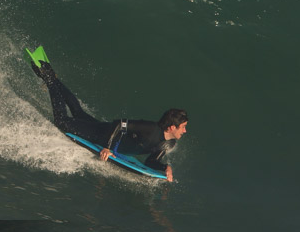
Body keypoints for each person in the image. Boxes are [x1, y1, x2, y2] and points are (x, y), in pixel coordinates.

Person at [28, 47, 187, 182]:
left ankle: (51, 76)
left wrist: (165, 167)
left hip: (104, 134)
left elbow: (151, 161)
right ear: (172, 127)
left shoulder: (169, 143)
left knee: (78, 112)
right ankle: (49, 79)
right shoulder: (151, 129)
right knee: (62, 122)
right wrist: (107, 148)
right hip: (101, 135)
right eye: (183, 127)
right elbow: (120, 124)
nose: (185, 131)